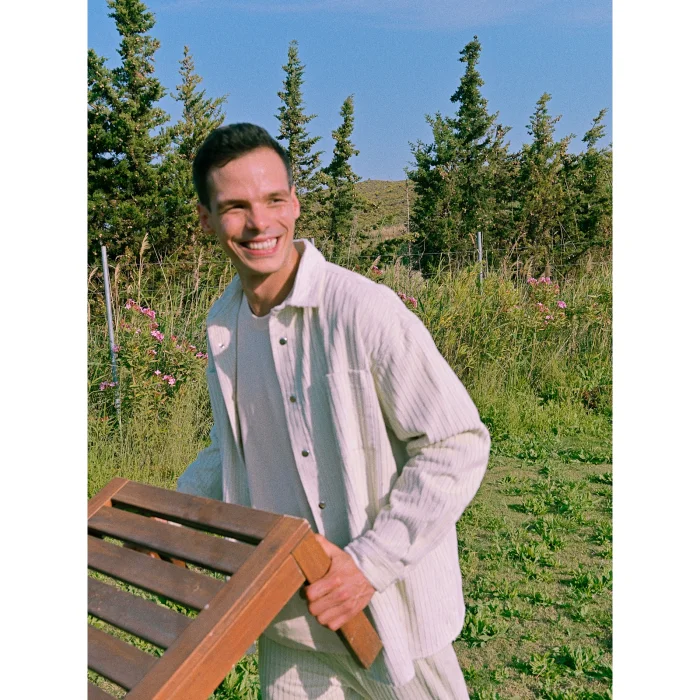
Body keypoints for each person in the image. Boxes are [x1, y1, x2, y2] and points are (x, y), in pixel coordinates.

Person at [177, 123, 491, 699]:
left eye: (274, 200)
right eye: (236, 207)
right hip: (288, 625)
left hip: (390, 619)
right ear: (206, 219)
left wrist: (367, 566)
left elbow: (456, 442)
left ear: (295, 203)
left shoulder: (362, 310)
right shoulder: (224, 325)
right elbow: (236, 448)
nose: (260, 223)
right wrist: (174, 514)